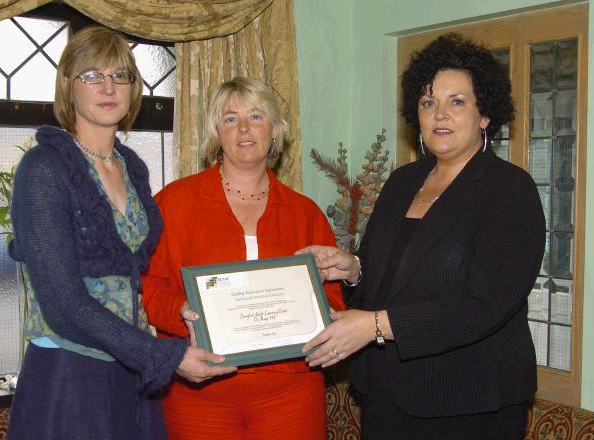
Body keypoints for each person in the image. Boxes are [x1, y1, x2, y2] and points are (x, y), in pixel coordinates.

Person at [297, 33, 545, 439]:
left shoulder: (509, 189)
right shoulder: (401, 181)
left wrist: (374, 325)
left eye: (457, 102)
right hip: (385, 393)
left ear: (485, 115)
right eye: (429, 102)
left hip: (467, 403)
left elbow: (482, 306)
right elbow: (391, 273)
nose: (440, 115)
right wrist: (353, 268)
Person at [6, 26, 235, 440]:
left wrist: (185, 309)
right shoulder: (43, 169)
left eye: (120, 75)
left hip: (132, 370)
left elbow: (134, 276)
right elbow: (63, 302)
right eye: (92, 75)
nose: (108, 87)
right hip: (70, 374)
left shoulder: (132, 167)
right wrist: (163, 355)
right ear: (67, 86)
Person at [142, 77, 346, 439]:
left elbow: (330, 296)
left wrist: (324, 321)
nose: (245, 128)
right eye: (230, 118)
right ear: (216, 132)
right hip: (199, 394)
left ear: (275, 129)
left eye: (255, 115)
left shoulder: (305, 213)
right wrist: (182, 312)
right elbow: (148, 285)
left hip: (291, 394)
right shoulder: (173, 203)